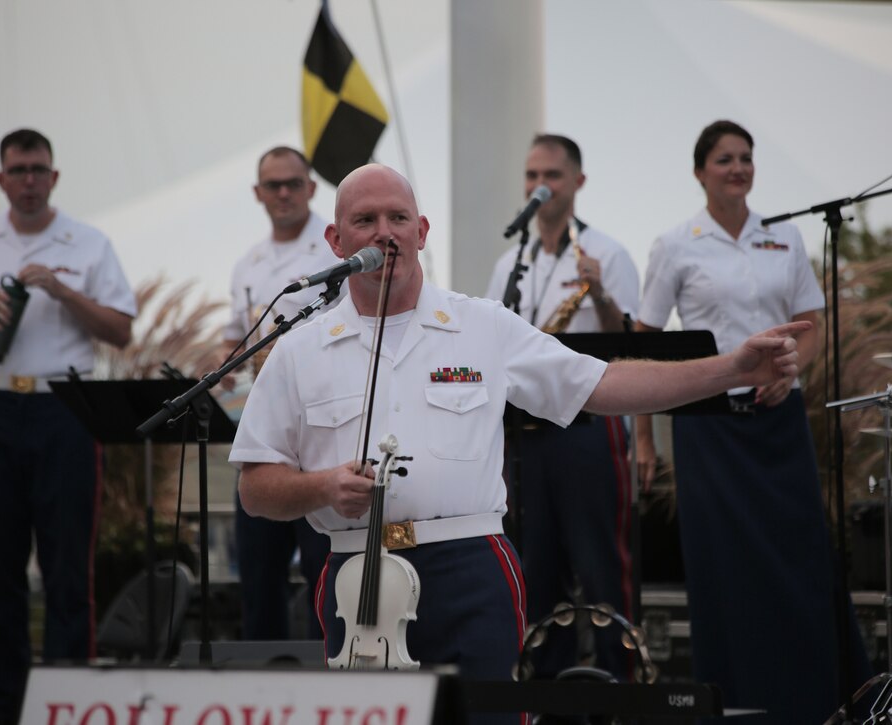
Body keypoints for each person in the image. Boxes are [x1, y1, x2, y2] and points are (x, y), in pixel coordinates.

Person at [229, 163, 808, 724]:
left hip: (469, 566)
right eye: (365, 220)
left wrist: (731, 369)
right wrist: (322, 487)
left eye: (399, 217)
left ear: (422, 232)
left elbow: (602, 384)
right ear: (335, 239)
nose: (385, 232)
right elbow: (255, 489)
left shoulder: (481, 326)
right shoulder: (300, 350)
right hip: (356, 574)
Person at [633, 120, 873, 723]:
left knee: (801, 559)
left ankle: (822, 702)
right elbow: (643, 339)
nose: (737, 168)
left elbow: (811, 324)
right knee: (725, 571)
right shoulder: (675, 244)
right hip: (708, 426)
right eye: (723, 159)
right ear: (699, 172)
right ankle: (734, 706)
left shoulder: (784, 236)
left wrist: (793, 370)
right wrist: (642, 438)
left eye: (745, 157)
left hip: (778, 424)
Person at [0, 128, 136, 725]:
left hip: (61, 408)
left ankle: (67, 707)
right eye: (17, 171)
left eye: (38, 170)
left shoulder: (88, 242)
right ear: (0, 179)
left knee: (69, 571)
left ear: (55, 177)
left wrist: (62, 291)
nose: (28, 181)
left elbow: (120, 330)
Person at [484, 134, 639, 680]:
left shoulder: (609, 253)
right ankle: (549, 698)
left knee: (602, 566)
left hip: (588, 428)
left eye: (550, 175)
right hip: (527, 437)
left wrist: (599, 295)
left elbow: (631, 342)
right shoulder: (511, 261)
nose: (539, 186)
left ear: (577, 182)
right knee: (535, 570)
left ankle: (624, 690)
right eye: (531, 176)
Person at [224, 146, 335, 641]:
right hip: (265, 426)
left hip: (322, 426)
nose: (284, 193)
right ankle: (263, 687)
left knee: (323, 568)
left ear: (312, 188)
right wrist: (226, 361)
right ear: (257, 193)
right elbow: (236, 338)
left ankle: (327, 682)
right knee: (257, 569)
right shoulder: (247, 263)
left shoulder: (336, 250)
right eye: (274, 185)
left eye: (294, 183)